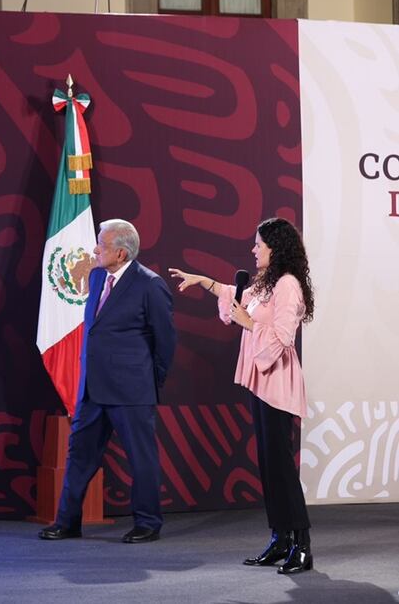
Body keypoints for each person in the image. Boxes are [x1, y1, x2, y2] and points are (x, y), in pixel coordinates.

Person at [169, 217, 315, 575]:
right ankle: (280, 539)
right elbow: (236, 295)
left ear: (275, 248)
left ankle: (303, 546)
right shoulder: (265, 283)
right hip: (260, 382)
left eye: (258, 244)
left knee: (281, 468)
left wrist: (249, 324)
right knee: (268, 466)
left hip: (277, 384)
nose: (253, 250)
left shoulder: (288, 285)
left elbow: (282, 336)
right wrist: (204, 281)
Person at [40, 219, 176, 543]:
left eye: (100, 245)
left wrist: (150, 381)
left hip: (132, 390)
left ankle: (147, 523)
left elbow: (166, 340)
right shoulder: (97, 275)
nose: (95, 249)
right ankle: (67, 522)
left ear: (119, 251)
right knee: (79, 455)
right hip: (93, 389)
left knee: (141, 458)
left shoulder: (150, 284)